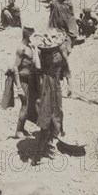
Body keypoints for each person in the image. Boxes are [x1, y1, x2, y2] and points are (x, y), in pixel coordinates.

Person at [35, 30, 71, 164]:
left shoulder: (60, 55)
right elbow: (38, 67)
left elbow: (66, 68)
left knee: (57, 114)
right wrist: (34, 50)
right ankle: (38, 156)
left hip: (55, 86)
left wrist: (70, 84)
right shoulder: (42, 54)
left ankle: (49, 145)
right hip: (46, 86)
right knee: (46, 117)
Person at [12, 27, 41, 138]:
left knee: (29, 105)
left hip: (29, 80)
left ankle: (22, 129)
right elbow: (15, 67)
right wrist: (19, 87)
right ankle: (18, 131)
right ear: (28, 35)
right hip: (22, 80)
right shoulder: (21, 48)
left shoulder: (30, 47)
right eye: (33, 35)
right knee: (25, 105)